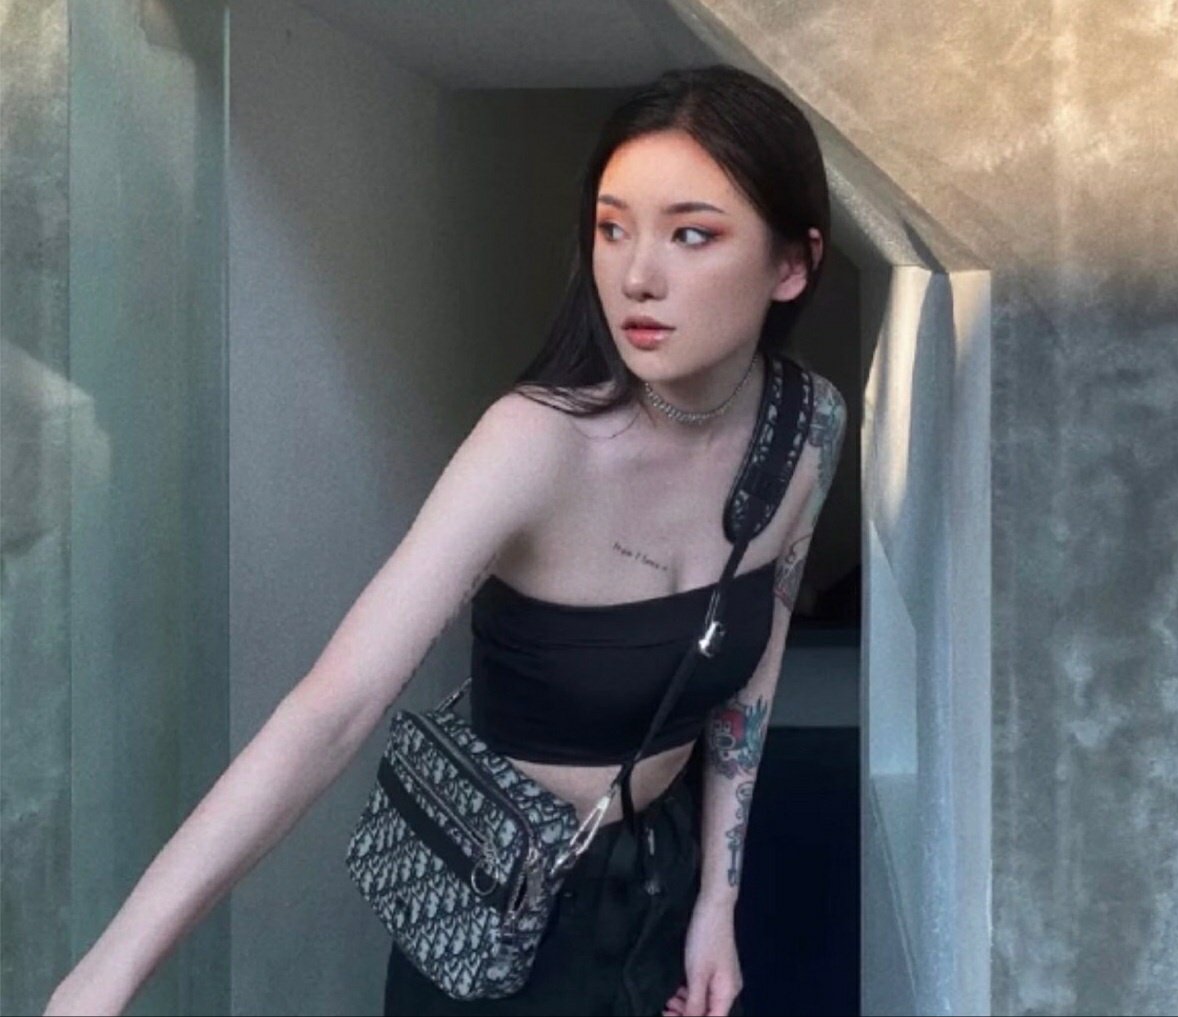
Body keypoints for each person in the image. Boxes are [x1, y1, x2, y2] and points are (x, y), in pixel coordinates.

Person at [43, 63, 846, 1017]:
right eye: (611, 227)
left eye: (691, 234)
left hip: (658, 880)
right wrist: (109, 971)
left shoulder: (807, 425)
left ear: (791, 264)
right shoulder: (535, 442)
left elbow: (751, 664)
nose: (636, 275)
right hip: (495, 894)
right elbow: (330, 708)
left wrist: (717, 898)